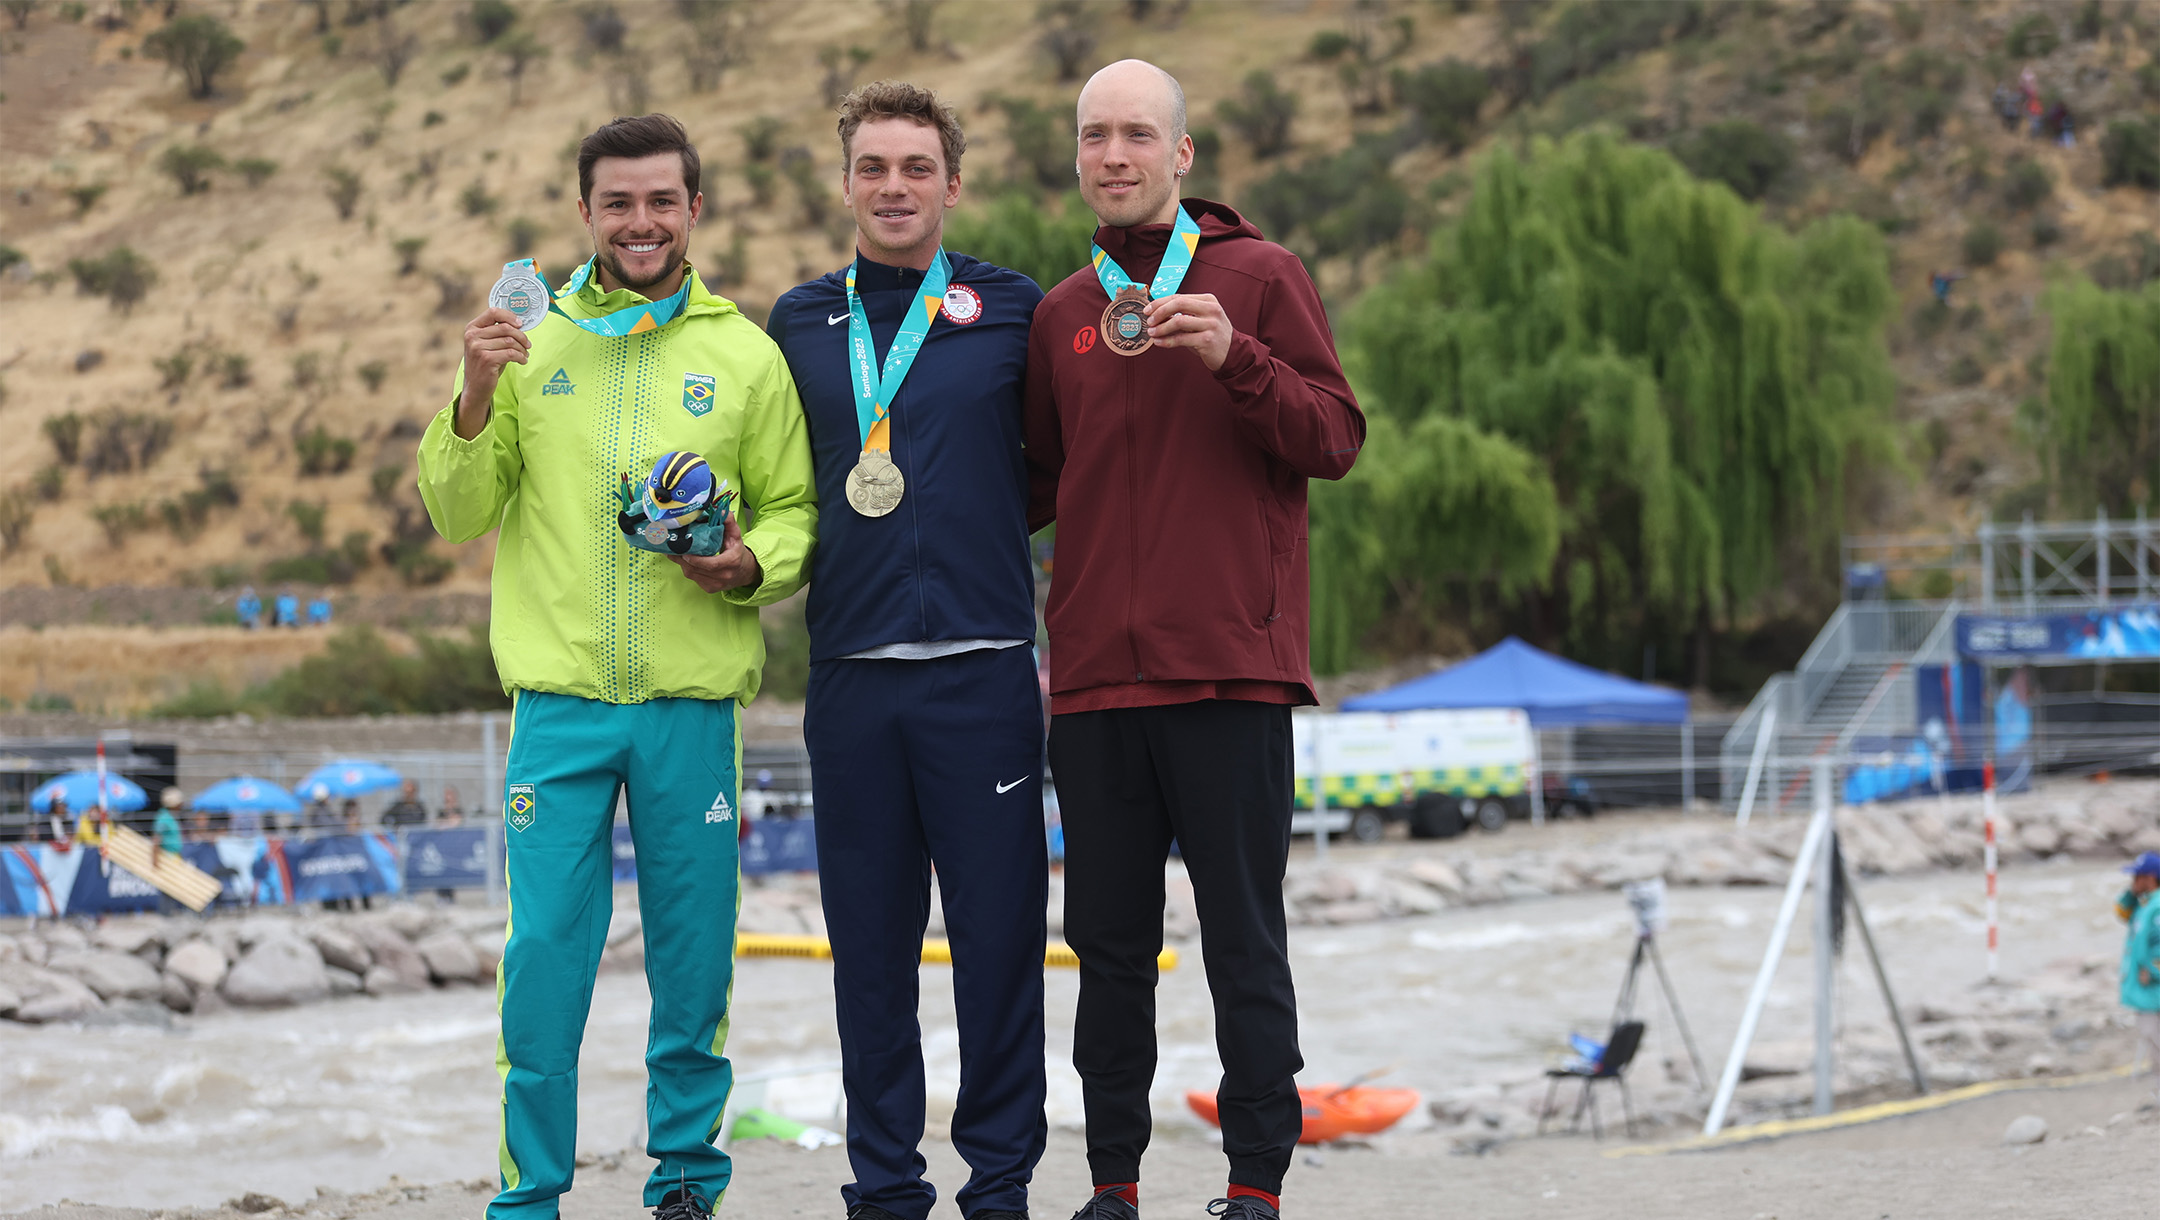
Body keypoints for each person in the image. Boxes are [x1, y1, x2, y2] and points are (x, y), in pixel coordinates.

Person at [416, 112, 816, 1220]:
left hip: (692, 708)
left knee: (694, 961)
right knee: (543, 957)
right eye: (618, 202)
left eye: (661, 200)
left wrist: (746, 565)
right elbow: (455, 508)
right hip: (558, 706)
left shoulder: (747, 354)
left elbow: (795, 513)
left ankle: (685, 1181)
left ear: (695, 209)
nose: (640, 221)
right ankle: (529, 1192)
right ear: (583, 211)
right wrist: (473, 393)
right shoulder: (524, 340)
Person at [1023, 61, 1364, 1220]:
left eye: (1136, 135)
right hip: (1097, 689)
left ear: (1181, 154)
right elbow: (1026, 484)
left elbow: (1335, 437)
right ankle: (1112, 1185)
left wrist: (1238, 358)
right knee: (1108, 954)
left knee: (1243, 942)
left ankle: (1254, 1187)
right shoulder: (1063, 312)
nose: (1113, 155)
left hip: (1230, 670)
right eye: (1093, 137)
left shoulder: (1261, 278)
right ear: (1078, 157)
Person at [766, 81, 1047, 1220]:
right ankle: (885, 1186)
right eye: (873, 167)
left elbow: (1072, 458)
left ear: (951, 183)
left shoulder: (1014, 306)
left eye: (916, 167)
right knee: (870, 956)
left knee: (999, 951)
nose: (894, 186)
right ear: (845, 184)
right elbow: (771, 485)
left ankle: (1000, 1188)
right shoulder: (794, 322)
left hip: (984, 671)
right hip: (853, 680)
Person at [2119, 851, 2160, 1098]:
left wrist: (2154, 970)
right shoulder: (2144, 903)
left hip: (2153, 990)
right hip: (2145, 993)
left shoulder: (2156, 908)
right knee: (2152, 1041)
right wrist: (2131, 893)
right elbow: (2120, 912)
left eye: (2138, 876)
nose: (2133, 880)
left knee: (2155, 1040)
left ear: (2150, 877)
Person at [153, 788, 188, 914]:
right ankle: (166, 913)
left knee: (174, 886)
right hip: (166, 857)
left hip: (173, 855)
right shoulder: (163, 818)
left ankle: (171, 911)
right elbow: (156, 840)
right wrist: (155, 860)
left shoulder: (171, 817)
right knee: (167, 887)